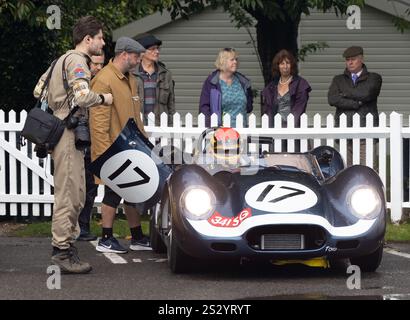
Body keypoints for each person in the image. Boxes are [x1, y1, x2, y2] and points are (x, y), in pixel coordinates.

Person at [33, 16, 113, 274]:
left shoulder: (60, 60)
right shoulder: (78, 61)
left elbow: (38, 90)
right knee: (69, 195)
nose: (102, 42)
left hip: (59, 132)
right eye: (100, 37)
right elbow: (83, 96)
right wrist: (105, 98)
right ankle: (62, 252)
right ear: (87, 39)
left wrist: (57, 101)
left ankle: (65, 246)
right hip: (67, 134)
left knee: (75, 192)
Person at [89, 37, 150, 254]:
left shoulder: (130, 79)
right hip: (113, 147)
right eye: (136, 57)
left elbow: (136, 116)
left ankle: (137, 237)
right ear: (125, 54)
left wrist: (144, 142)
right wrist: (105, 153)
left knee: (132, 191)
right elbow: (98, 121)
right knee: (113, 192)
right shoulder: (104, 80)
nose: (138, 61)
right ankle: (106, 238)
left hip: (131, 146)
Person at [328, 46, 382, 165]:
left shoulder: (374, 78)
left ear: (361, 59)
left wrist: (344, 93)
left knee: (366, 170)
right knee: (345, 172)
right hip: (344, 133)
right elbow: (332, 99)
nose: (350, 62)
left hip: (365, 133)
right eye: (347, 60)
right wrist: (356, 103)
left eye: (353, 59)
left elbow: (367, 94)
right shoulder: (338, 79)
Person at [77, 52, 105, 242]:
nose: (98, 68)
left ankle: (84, 226)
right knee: (80, 187)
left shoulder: (100, 83)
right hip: (81, 141)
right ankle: (79, 227)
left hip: (94, 141)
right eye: (95, 64)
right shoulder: (81, 84)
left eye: (101, 64)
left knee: (91, 187)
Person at [199, 48, 253, 127]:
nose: (235, 62)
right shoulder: (212, 82)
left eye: (236, 59)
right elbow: (204, 108)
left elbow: (249, 106)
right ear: (223, 61)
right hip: (220, 132)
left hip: (241, 131)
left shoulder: (242, 81)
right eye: (232, 60)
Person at [261, 49, 311, 128]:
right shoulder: (271, 87)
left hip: (294, 128)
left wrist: (289, 127)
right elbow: (268, 111)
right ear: (278, 66)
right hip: (275, 128)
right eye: (282, 63)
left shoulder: (300, 84)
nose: (285, 66)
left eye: (288, 63)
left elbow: (299, 109)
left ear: (292, 65)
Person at [133, 34, 175, 125]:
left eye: (157, 48)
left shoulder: (166, 74)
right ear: (142, 52)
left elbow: (171, 105)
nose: (157, 51)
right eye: (152, 49)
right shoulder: (132, 74)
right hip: (138, 127)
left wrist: (171, 128)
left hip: (161, 127)